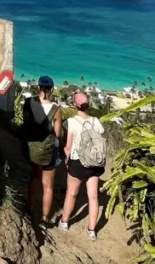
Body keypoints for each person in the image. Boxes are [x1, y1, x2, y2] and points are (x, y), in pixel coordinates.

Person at [58, 91, 107, 240]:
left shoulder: (71, 122)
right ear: (88, 105)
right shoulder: (96, 121)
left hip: (78, 162)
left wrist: (66, 160)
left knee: (71, 193)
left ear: (74, 105)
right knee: (93, 197)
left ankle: (64, 221)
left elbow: (68, 146)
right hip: (94, 162)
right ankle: (92, 230)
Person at [22, 75, 62, 224]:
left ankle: (30, 208)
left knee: (35, 177)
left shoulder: (28, 103)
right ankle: (45, 217)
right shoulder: (56, 110)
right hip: (49, 149)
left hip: (34, 148)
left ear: (38, 87)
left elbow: (26, 122)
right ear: (51, 89)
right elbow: (57, 134)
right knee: (48, 185)